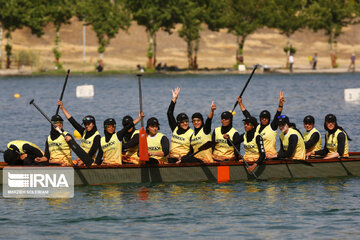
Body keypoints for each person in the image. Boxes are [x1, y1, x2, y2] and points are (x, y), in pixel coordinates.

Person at [238, 91, 285, 157]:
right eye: (262, 118)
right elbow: (247, 115)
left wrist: (280, 104)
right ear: (260, 118)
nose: (264, 119)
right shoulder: (257, 127)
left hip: (270, 156)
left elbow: (278, 114)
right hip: (259, 156)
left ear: (269, 119)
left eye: (266, 118)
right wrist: (240, 103)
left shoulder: (272, 127)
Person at [58, 100, 100, 165]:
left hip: (89, 161)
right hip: (80, 159)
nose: (87, 126)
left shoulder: (97, 136)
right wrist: (62, 108)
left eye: (89, 124)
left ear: (93, 124)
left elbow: (92, 152)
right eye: (85, 124)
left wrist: (83, 161)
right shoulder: (84, 131)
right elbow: (72, 121)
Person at [167, 87, 194, 163]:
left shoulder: (191, 133)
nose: (185, 123)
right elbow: (169, 113)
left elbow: (192, 150)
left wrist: (183, 159)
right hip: (171, 157)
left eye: (186, 121)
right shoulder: (175, 128)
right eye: (182, 122)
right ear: (178, 123)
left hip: (183, 160)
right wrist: (174, 100)